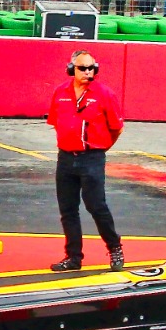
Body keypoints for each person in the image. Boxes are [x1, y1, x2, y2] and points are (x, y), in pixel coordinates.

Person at [46, 51, 125, 272]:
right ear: (72, 69)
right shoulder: (60, 92)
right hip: (66, 157)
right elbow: (55, 121)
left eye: (91, 68)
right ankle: (73, 257)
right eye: (82, 68)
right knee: (67, 209)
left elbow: (117, 128)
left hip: (92, 157)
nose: (88, 72)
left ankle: (115, 247)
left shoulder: (104, 94)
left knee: (96, 205)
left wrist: (100, 148)